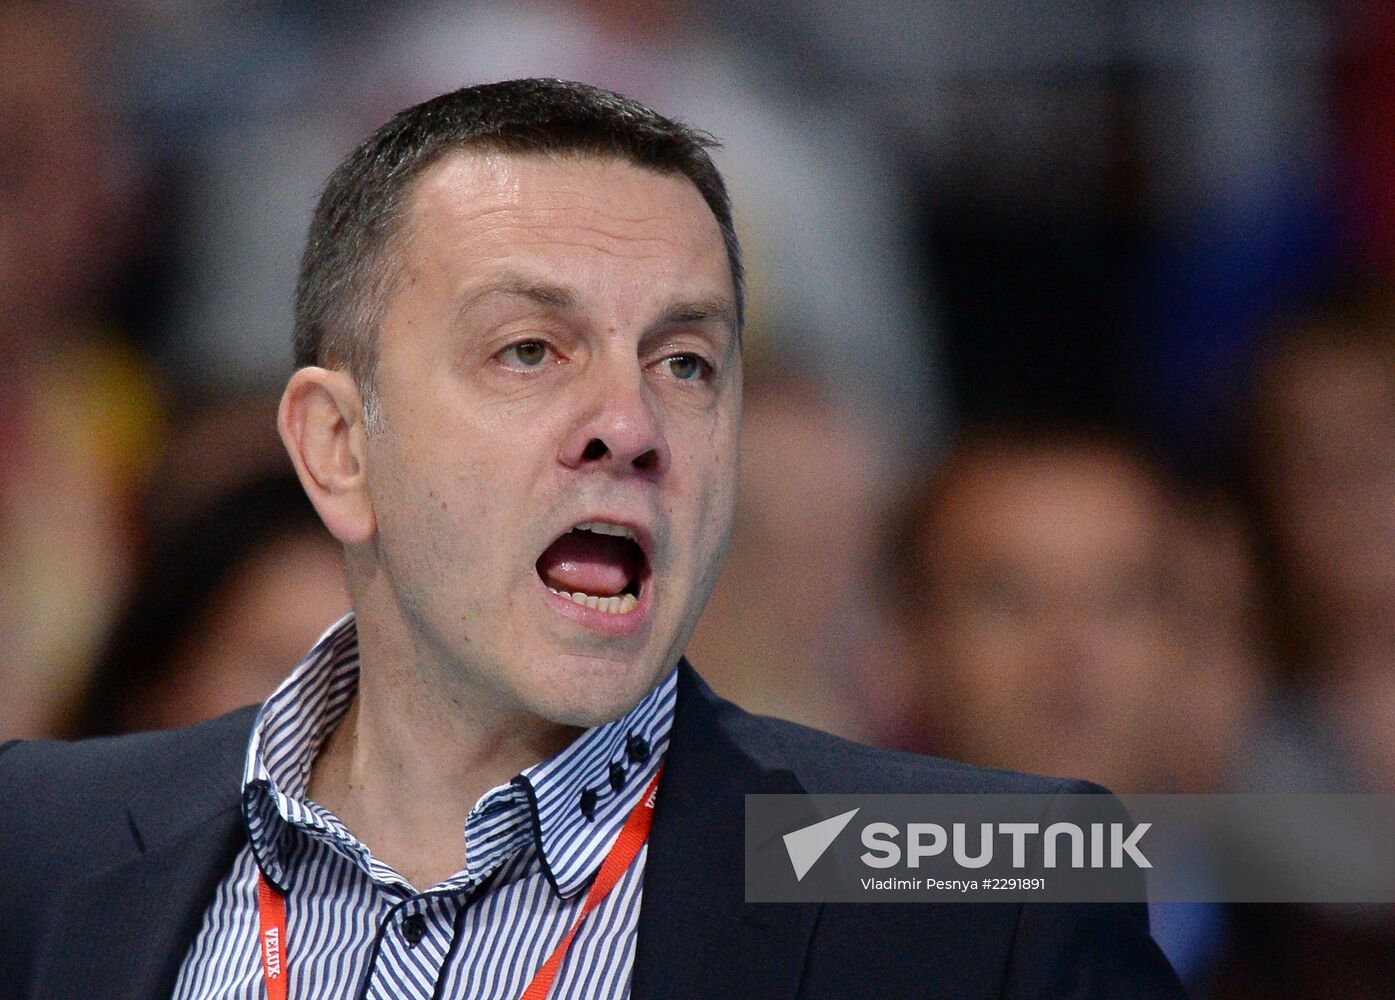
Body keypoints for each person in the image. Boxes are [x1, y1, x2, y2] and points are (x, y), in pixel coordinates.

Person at [0, 80, 1183, 998]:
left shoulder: (986, 897)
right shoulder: (36, 847)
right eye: (530, 350)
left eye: (686, 363)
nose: (630, 424)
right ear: (339, 448)